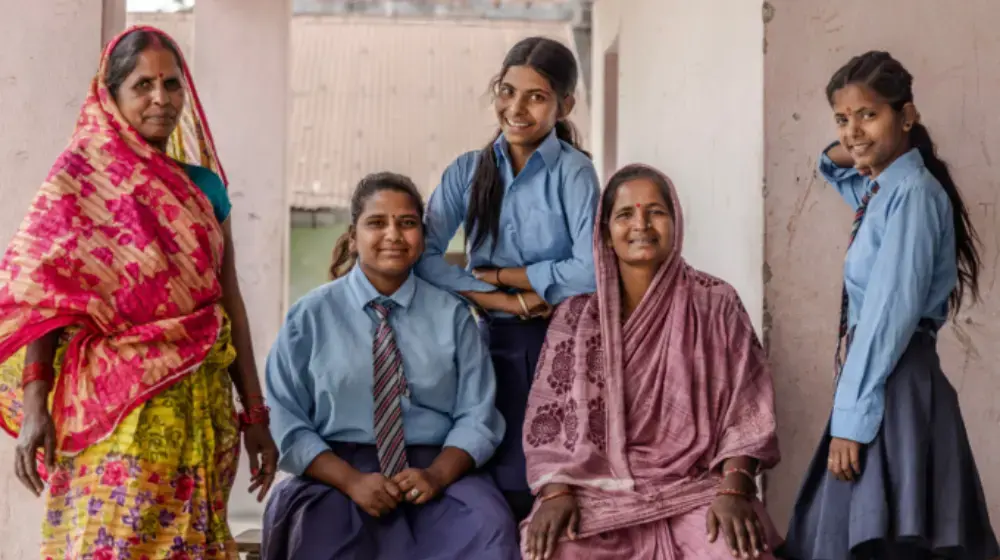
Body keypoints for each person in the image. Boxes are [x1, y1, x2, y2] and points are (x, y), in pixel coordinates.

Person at [0, 26, 277, 558]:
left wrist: (254, 415)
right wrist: (36, 404)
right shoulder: (77, 182)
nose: (161, 99)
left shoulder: (204, 187)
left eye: (172, 85)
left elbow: (229, 299)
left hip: (200, 408)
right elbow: (44, 300)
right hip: (112, 413)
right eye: (143, 85)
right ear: (111, 96)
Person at [781, 51, 999, 559]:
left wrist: (851, 424)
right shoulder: (883, 189)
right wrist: (863, 139)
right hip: (886, 383)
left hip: (894, 384)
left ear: (908, 114)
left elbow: (886, 317)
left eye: (869, 114)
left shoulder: (913, 196)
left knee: (874, 541)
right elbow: (831, 166)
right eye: (841, 118)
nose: (852, 130)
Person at [521, 164, 782, 560]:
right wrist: (556, 492)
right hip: (598, 491)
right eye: (625, 214)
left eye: (655, 211)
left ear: (675, 223)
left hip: (696, 487)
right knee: (555, 550)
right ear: (605, 232)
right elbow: (548, 419)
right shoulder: (576, 316)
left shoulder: (714, 302)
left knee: (738, 551)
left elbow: (748, 408)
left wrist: (734, 487)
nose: (641, 224)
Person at [261, 172, 519, 559]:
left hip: (438, 469)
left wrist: (435, 475)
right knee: (316, 535)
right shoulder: (309, 317)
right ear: (353, 236)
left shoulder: (453, 316)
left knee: (487, 526)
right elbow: (285, 419)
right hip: (335, 471)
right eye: (377, 223)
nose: (394, 235)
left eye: (408, 223)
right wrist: (352, 482)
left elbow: (476, 415)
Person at [415, 36, 600, 521]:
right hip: (484, 341)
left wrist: (503, 274)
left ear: (565, 105)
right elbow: (423, 257)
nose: (516, 108)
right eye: (506, 90)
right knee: (489, 478)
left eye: (536, 96)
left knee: (549, 483)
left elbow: (588, 272)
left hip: (563, 343)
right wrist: (502, 302)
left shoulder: (575, 174)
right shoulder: (468, 172)